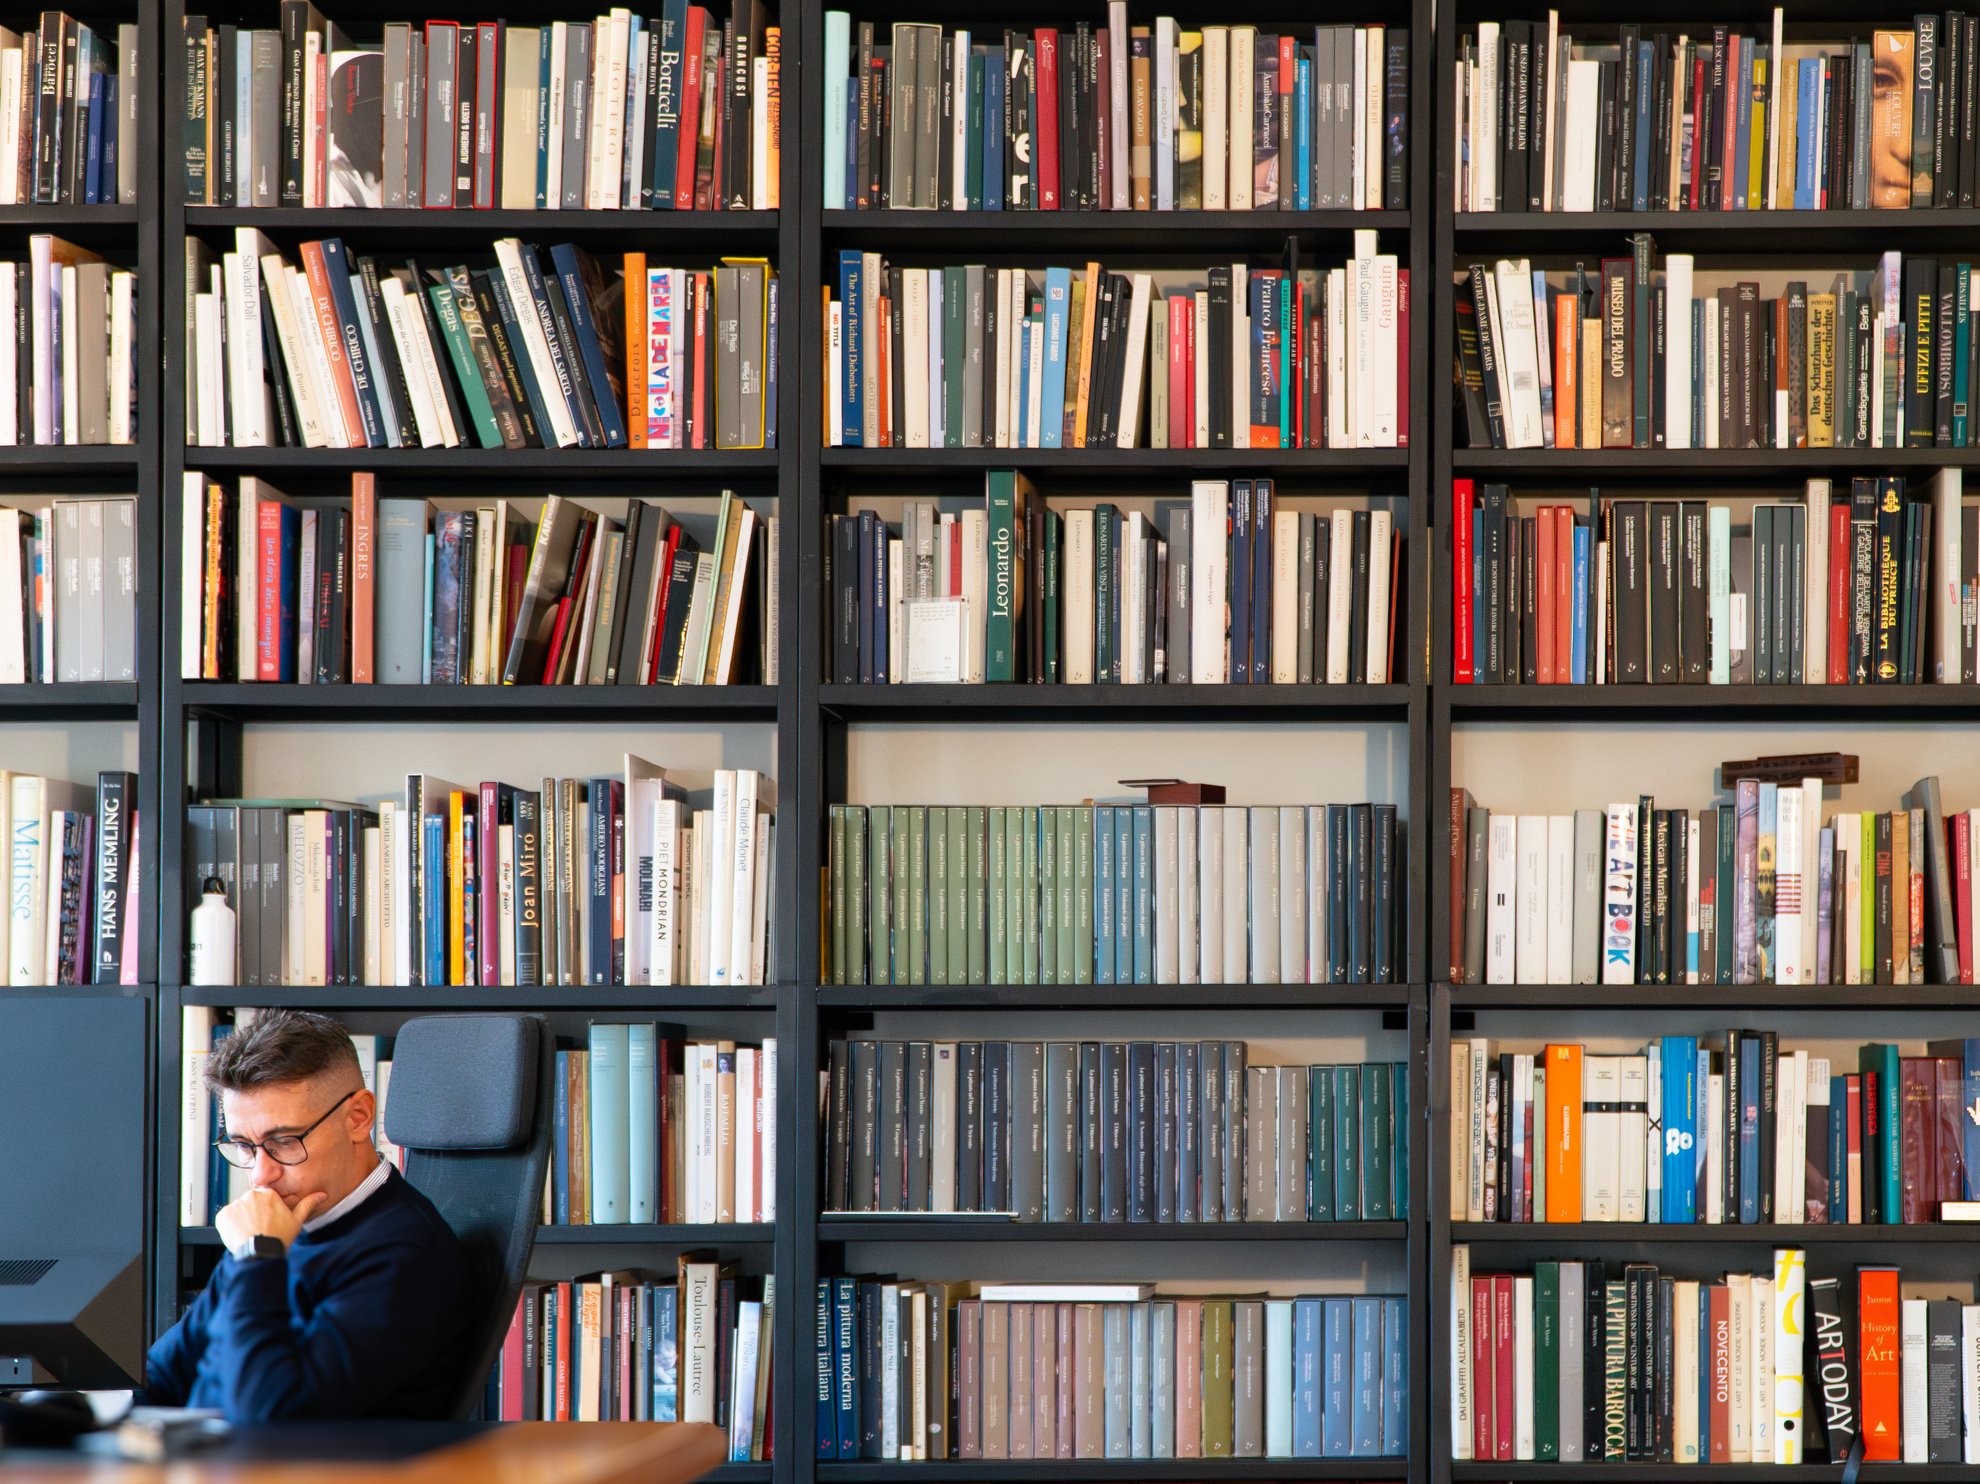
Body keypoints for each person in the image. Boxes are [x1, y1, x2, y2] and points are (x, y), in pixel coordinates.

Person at [141, 1010, 474, 1422]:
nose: (261, 1175)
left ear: (358, 1117)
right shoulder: (275, 1227)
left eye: (283, 1140)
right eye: (244, 1146)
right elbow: (161, 1377)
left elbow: (268, 1418)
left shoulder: (405, 1258)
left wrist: (255, 1257)